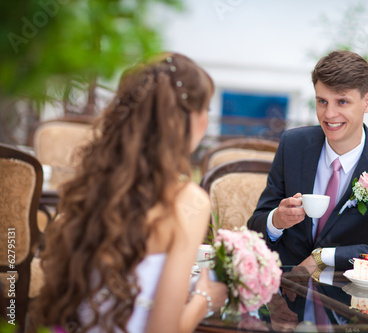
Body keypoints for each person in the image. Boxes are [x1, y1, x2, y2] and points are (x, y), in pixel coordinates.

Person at [31, 52, 228, 333]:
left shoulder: (94, 183)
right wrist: (205, 298)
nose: (206, 121)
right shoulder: (187, 201)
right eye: (205, 110)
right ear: (186, 120)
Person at [247, 50, 368, 276]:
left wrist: (325, 257)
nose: (329, 114)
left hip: (346, 300)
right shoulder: (292, 145)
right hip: (283, 293)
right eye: (322, 101)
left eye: (342, 102)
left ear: (367, 101)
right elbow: (254, 228)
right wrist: (276, 221)